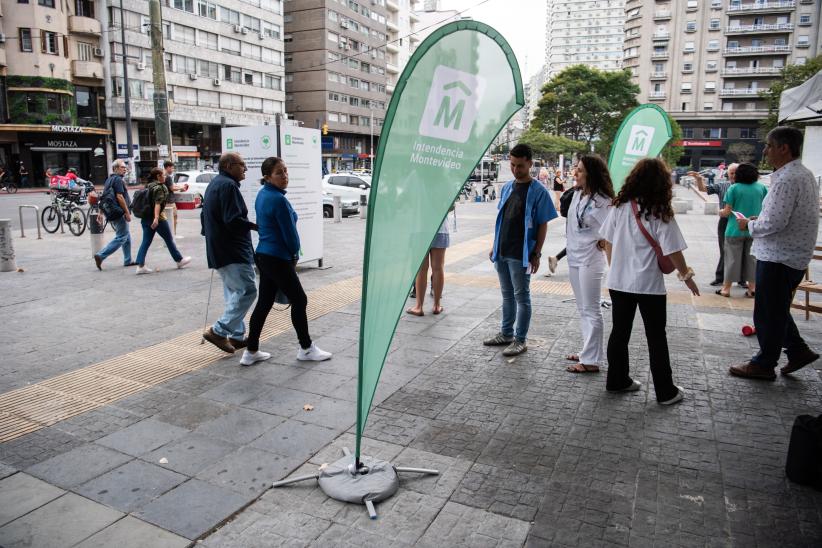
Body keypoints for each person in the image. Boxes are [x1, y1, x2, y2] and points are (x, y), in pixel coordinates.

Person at [600, 158, 699, 405]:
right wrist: (686, 277)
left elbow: (606, 242)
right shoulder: (659, 211)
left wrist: (615, 267)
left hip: (618, 282)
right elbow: (674, 249)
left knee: (619, 333)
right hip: (648, 285)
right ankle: (665, 392)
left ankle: (617, 381)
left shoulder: (618, 206)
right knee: (656, 337)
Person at [730, 127, 820, 380]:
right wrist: (762, 219)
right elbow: (781, 217)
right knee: (776, 308)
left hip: (780, 255)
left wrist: (749, 224)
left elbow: (775, 223)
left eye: (769, 146)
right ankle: (798, 350)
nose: (766, 151)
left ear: (784, 148)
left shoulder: (789, 178)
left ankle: (764, 362)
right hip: (790, 254)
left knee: (768, 311)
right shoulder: (801, 174)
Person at [242, 157, 332, 365]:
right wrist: (294, 254)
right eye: (279, 173)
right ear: (267, 177)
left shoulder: (263, 194)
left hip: (264, 255)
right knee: (299, 300)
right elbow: (289, 234)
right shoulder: (278, 199)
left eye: (285, 171)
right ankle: (306, 348)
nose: (285, 176)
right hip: (277, 257)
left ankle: (251, 351)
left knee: (264, 303)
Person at [483, 144, 557, 356]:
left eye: (521, 166)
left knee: (521, 297)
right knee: (507, 295)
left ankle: (520, 339)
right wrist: (494, 245)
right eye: (513, 165)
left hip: (521, 253)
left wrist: (537, 253)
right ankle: (506, 333)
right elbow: (502, 220)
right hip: (503, 251)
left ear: (530, 164)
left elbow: (543, 224)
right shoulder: (507, 187)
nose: (516, 170)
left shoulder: (539, 191)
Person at [201, 152, 257, 353]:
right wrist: (254, 226)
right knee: (247, 291)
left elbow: (204, 218)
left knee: (234, 292)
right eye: (242, 165)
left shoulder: (216, 184)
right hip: (232, 250)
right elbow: (232, 220)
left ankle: (236, 336)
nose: (245, 169)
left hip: (220, 248)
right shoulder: (228, 186)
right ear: (229, 165)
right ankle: (219, 330)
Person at [563, 155, 614, 374]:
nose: (576, 173)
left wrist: (604, 240)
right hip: (574, 257)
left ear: (592, 174)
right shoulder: (577, 195)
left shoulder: (604, 201)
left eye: (581, 170)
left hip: (591, 259)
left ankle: (591, 360)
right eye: (577, 169)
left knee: (592, 309)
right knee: (582, 308)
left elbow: (613, 230)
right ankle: (587, 350)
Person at [715, 163, 767, 298]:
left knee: (732, 259)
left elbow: (727, 211)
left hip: (734, 229)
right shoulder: (762, 188)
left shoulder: (733, 188)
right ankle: (752, 288)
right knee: (752, 260)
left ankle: (726, 289)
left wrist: (720, 212)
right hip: (754, 229)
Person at [691, 163, 744, 288]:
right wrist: (699, 179)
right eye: (732, 173)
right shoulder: (722, 186)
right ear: (727, 174)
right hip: (725, 220)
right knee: (724, 248)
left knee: (741, 249)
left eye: (736, 173)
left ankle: (742, 279)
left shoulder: (745, 187)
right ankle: (720, 277)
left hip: (741, 221)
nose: (734, 176)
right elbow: (704, 189)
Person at [134, 168, 191, 275]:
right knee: (169, 239)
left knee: (146, 241)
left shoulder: (149, 185)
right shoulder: (160, 188)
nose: (165, 177)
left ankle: (140, 265)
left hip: (145, 218)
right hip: (158, 219)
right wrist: (156, 218)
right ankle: (179, 260)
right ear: (158, 177)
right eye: (163, 175)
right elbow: (157, 203)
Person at [94, 160, 134, 270]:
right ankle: (101, 255)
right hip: (119, 212)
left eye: (125, 167)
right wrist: (126, 212)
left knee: (126, 236)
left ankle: (128, 260)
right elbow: (120, 197)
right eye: (122, 167)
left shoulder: (109, 180)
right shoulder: (118, 180)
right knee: (122, 237)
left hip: (112, 212)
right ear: (115, 169)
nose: (125, 169)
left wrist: (101, 212)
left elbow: (105, 197)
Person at [406, 215, 450, 316]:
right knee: (438, 268)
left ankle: (419, 307)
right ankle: (437, 305)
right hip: (440, 228)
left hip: (419, 228)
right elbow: (451, 206)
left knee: (421, 269)